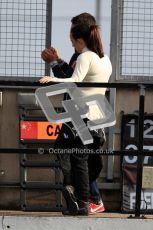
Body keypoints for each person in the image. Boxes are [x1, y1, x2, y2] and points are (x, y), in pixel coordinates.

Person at [39, 20, 112, 215]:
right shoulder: (102, 57)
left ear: (80, 38)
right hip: (93, 115)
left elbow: (72, 80)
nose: (71, 44)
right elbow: (79, 78)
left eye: (72, 40)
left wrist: (52, 73)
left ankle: (83, 200)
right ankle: (81, 198)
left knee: (79, 158)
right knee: (77, 156)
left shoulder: (85, 56)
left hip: (83, 115)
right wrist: (59, 62)